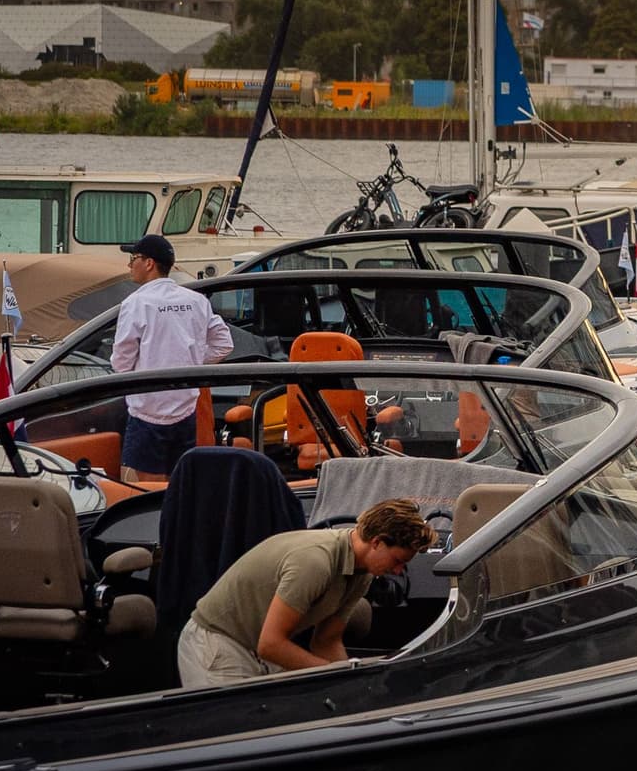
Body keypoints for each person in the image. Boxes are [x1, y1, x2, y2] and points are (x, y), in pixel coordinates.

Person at [174, 497, 431, 687]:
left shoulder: (361, 573)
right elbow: (271, 644)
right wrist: (330, 673)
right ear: (377, 542)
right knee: (234, 741)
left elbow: (326, 641)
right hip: (217, 641)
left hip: (256, 648)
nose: (398, 571)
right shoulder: (315, 563)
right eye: (398, 560)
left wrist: (349, 684)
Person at [107, 233, 226, 480]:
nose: (130, 264)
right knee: (181, 484)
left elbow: (121, 362)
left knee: (149, 493)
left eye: (134, 258)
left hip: (146, 414)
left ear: (149, 263)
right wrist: (189, 362)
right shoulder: (196, 301)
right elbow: (224, 344)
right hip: (186, 411)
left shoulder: (136, 303)